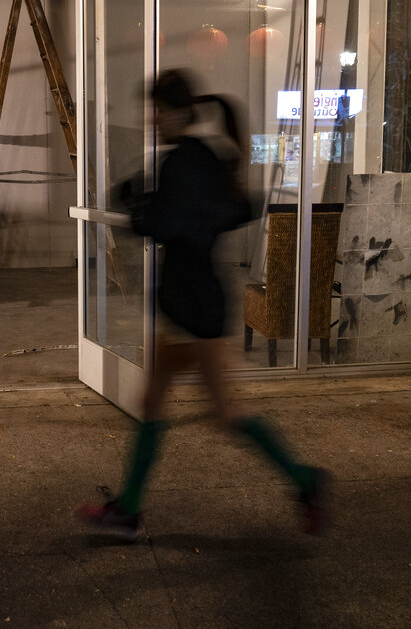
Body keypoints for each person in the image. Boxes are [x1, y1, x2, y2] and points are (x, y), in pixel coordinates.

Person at [77, 69, 329, 541]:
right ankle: (128, 509)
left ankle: (305, 480)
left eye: (157, 110)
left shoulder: (185, 162)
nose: (152, 119)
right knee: (157, 403)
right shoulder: (202, 158)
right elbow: (228, 209)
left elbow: (172, 222)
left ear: (177, 110)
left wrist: (139, 207)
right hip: (192, 303)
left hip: (192, 306)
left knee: (223, 412)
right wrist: (146, 201)